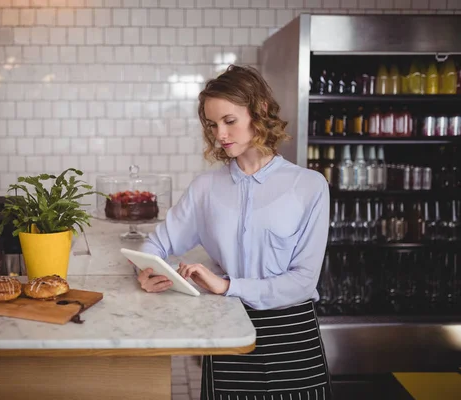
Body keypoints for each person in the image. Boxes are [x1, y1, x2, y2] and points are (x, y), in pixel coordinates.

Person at [137, 65, 332, 399]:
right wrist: (146, 270)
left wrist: (227, 285)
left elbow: (303, 281)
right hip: (228, 330)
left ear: (262, 112)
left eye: (229, 121)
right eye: (212, 125)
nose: (220, 135)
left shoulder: (309, 186)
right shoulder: (205, 189)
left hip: (293, 338)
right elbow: (153, 246)